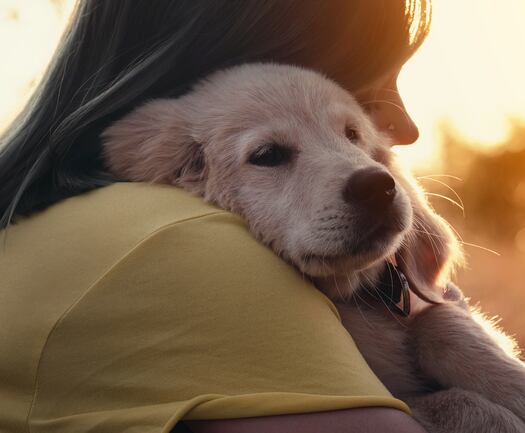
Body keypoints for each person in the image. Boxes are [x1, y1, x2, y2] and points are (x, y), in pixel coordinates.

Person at [0, 1, 431, 432]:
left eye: (350, 131)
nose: (407, 127)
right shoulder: (187, 243)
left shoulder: (54, 224)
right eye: (369, 84)